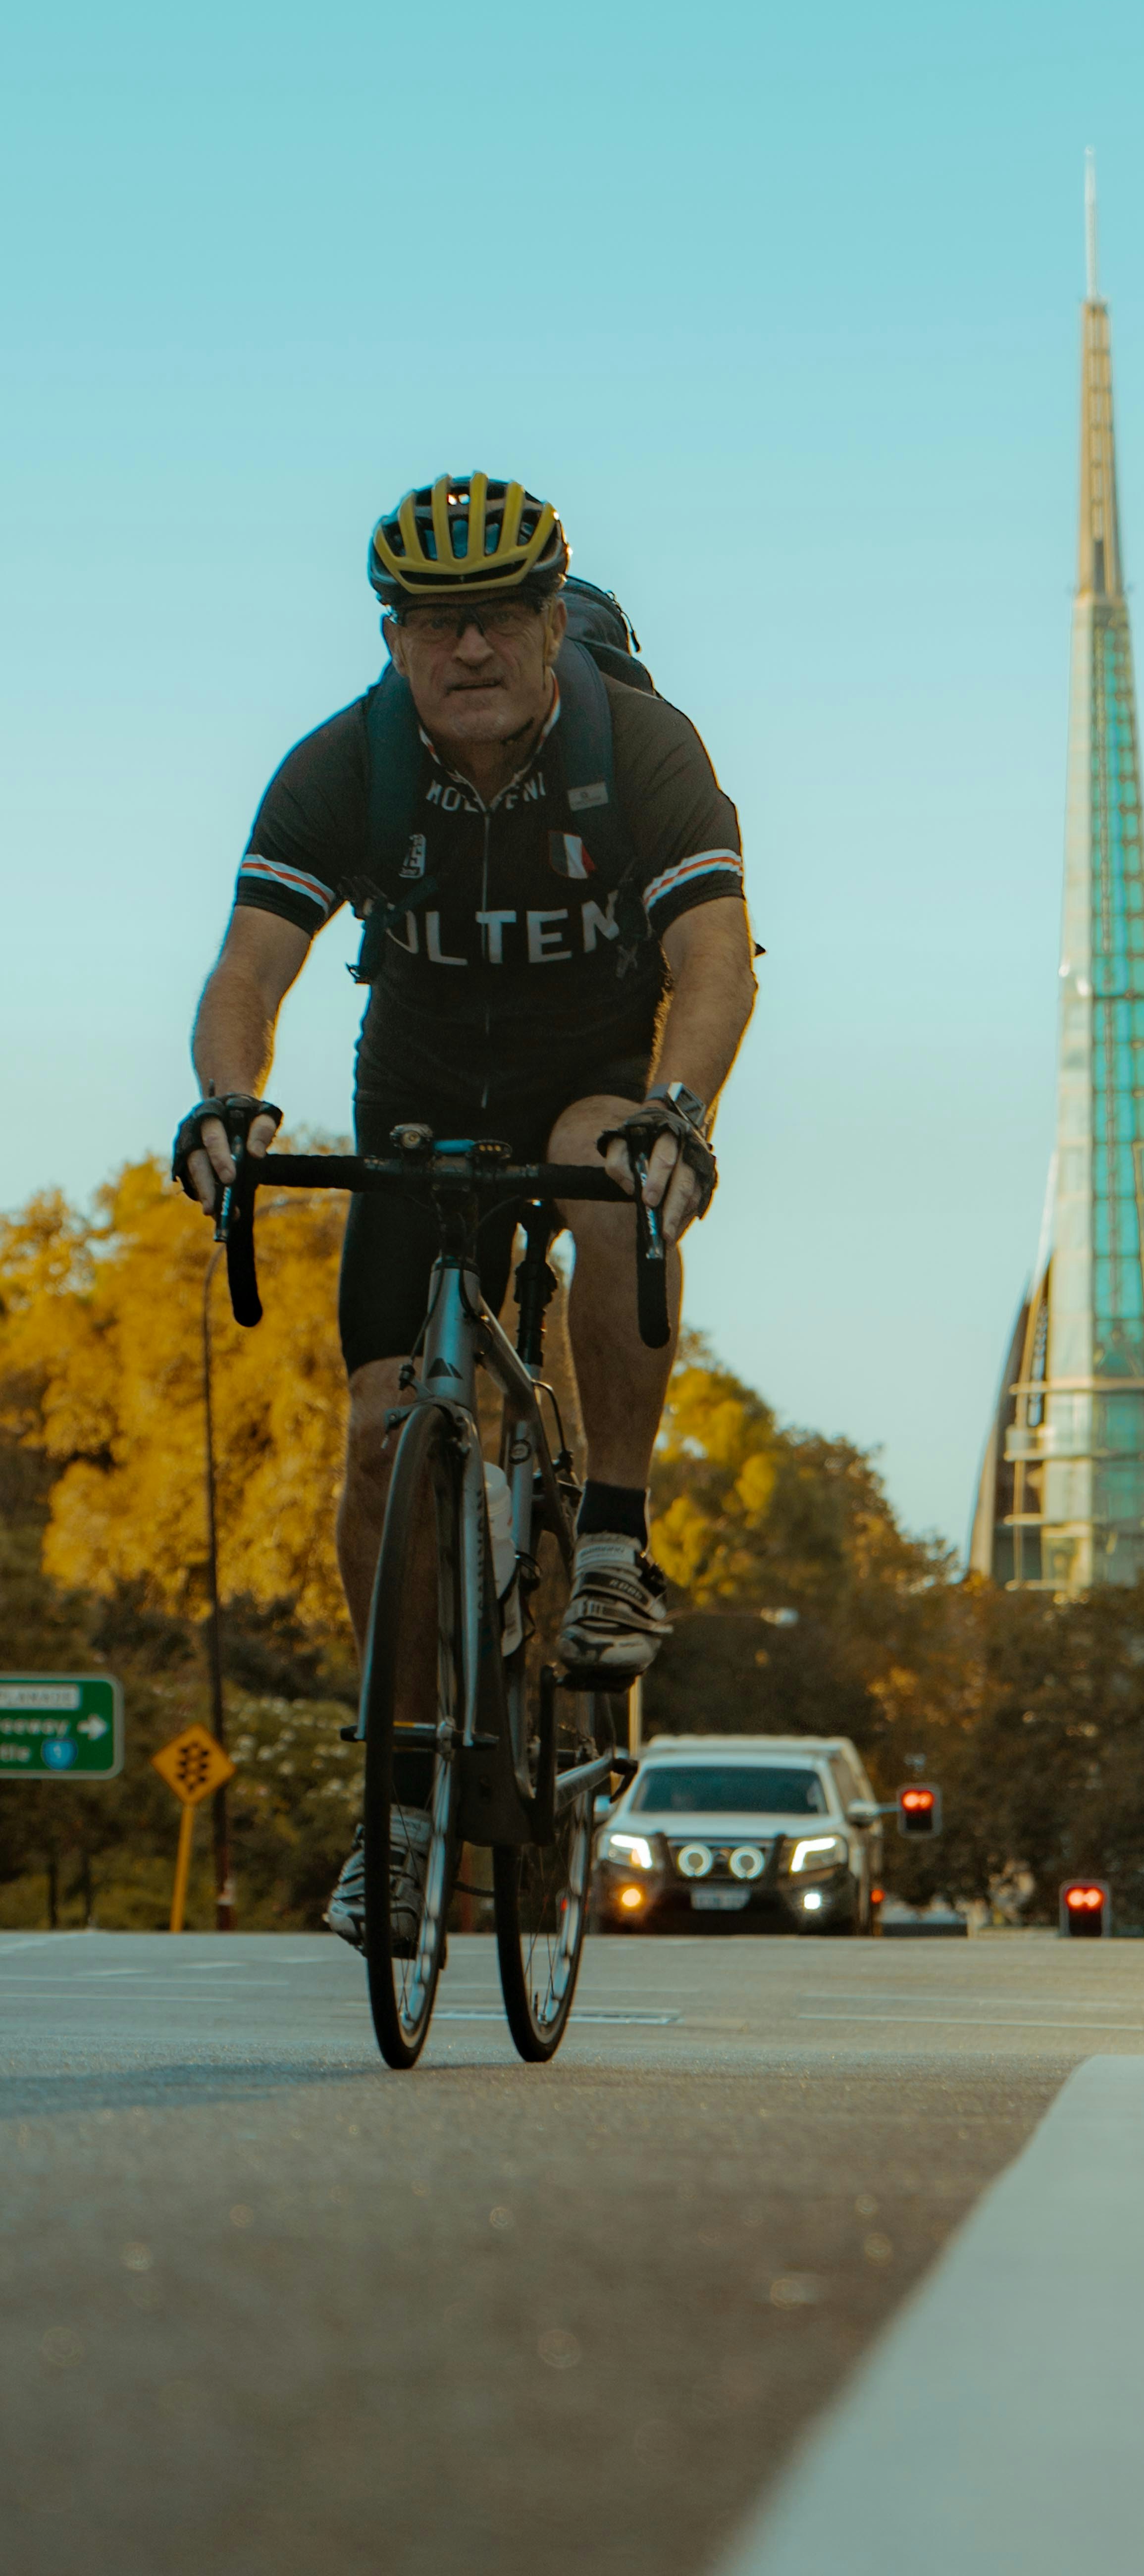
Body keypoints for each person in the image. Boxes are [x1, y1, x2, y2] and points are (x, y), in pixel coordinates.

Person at [172, 473, 757, 1950]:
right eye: (433, 626)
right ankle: (406, 1804)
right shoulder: (343, 766)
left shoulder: (642, 751)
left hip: (582, 1069)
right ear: (393, 640)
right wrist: (231, 1102)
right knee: (380, 1435)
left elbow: (715, 962)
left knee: (616, 1183)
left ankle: (610, 1545)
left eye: (497, 617)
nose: (469, 651)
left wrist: (679, 1120)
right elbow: (249, 973)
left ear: (555, 622)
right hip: (421, 1096)